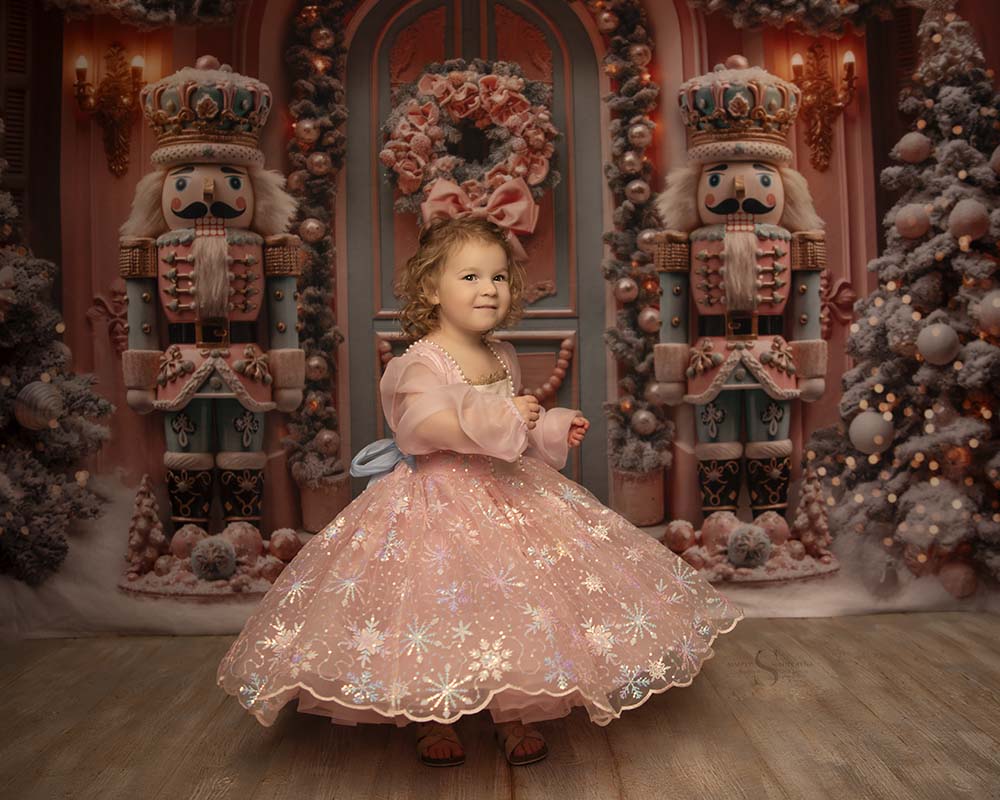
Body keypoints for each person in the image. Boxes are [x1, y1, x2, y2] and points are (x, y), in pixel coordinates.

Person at [216, 215, 744, 768]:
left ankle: (513, 709)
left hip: (507, 491)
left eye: (498, 277)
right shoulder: (418, 361)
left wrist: (548, 425)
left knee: (516, 603)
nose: (488, 289)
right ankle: (435, 713)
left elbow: (510, 435)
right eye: (469, 277)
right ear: (431, 288)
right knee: (435, 606)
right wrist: (502, 414)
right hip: (437, 499)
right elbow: (421, 428)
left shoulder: (501, 355)